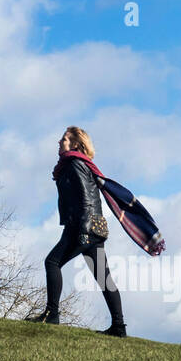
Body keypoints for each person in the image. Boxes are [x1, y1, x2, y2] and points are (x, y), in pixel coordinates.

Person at [27, 126, 126, 337]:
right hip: (93, 226)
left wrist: (82, 230)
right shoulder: (75, 164)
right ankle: (119, 327)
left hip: (83, 226)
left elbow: (85, 197)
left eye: (63, 139)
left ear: (75, 144)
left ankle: (52, 314)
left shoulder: (74, 163)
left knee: (52, 262)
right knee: (104, 277)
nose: (59, 142)